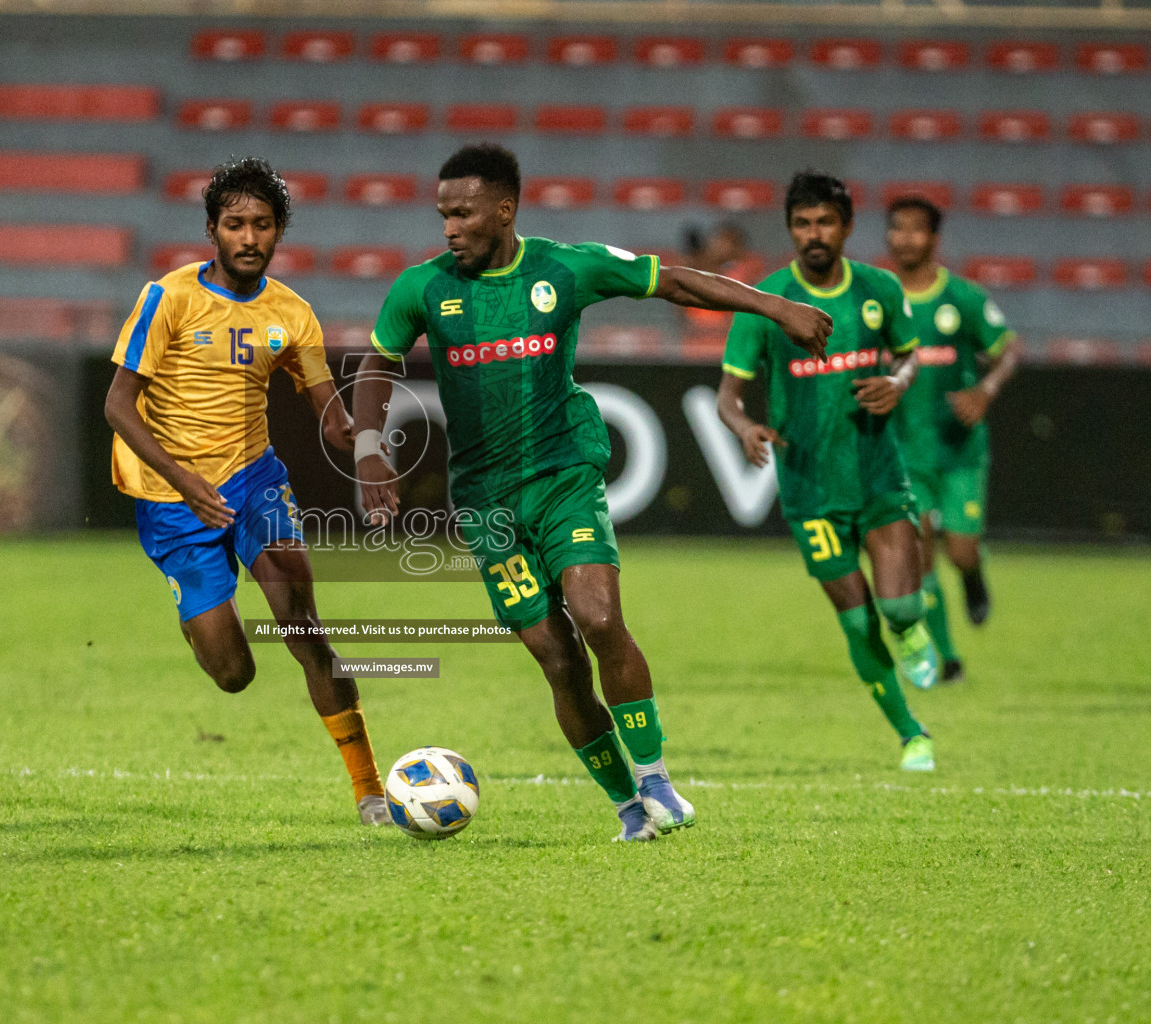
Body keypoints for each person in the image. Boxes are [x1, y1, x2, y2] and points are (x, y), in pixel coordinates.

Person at [352, 143, 832, 841]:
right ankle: (629, 808)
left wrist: (774, 307)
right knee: (558, 659)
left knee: (598, 616)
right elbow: (377, 363)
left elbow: (679, 284)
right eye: (443, 214)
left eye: (462, 213)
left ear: (504, 210)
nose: (449, 227)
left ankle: (657, 778)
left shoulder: (565, 268)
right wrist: (370, 449)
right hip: (486, 504)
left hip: (563, 476)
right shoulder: (421, 287)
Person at [103, 157, 388, 824]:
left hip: (255, 483)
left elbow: (329, 409)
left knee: (303, 628)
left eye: (262, 224)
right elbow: (118, 406)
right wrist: (184, 481)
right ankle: (198, 613)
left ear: (279, 231)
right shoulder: (167, 298)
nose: (249, 237)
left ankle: (369, 789)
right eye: (235, 224)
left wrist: (369, 448)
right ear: (212, 229)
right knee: (234, 674)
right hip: (174, 500)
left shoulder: (292, 313)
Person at [715, 170, 940, 772]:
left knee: (895, 611)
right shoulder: (765, 304)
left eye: (824, 222)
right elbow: (727, 397)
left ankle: (914, 625)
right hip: (808, 489)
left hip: (876, 476)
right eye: (801, 223)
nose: (813, 234)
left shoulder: (879, 289)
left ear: (846, 227)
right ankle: (911, 733)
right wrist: (744, 428)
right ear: (791, 229)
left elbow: (910, 353)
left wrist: (898, 381)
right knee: (859, 620)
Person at [885, 196, 1019, 682]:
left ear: (934, 239)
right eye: (897, 229)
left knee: (959, 550)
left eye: (916, 230)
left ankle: (973, 574)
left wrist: (985, 388)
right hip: (905, 453)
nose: (905, 238)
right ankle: (948, 656)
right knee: (919, 552)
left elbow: (1006, 349)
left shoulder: (961, 297)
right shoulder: (879, 299)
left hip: (960, 451)